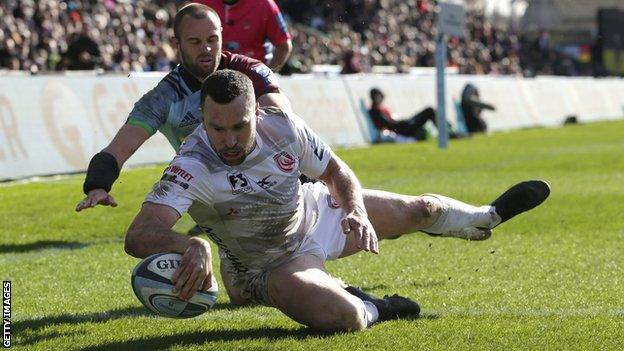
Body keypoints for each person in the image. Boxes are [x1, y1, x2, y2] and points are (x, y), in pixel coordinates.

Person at [124, 69, 551, 331]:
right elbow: (140, 233)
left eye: (240, 126)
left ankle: (487, 216)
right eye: (218, 129)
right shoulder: (192, 163)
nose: (230, 140)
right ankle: (374, 306)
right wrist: (193, 245)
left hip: (313, 213)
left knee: (423, 210)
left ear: (257, 113)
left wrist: (356, 211)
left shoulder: (285, 128)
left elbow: (335, 172)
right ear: (203, 119)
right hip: (266, 266)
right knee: (342, 318)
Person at [75, 3, 291, 213]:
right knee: (140, 236)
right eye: (195, 42)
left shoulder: (250, 70)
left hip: (268, 181)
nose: (206, 49)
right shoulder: (162, 98)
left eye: (213, 39)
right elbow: (118, 149)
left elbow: (285, 122)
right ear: (176, 44)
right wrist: (98, 185)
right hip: (215, 198)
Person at [192, 0, 293, 72]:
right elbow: (183, 41)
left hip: (253, 79)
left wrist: (268, 75)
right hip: (210, 79)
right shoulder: (198, 4)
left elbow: (284, 46)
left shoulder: (264, 4)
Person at [368, 88, 463, 143]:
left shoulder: (380, 108)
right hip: (403, 128)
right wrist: (400, 123)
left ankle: (448, 130)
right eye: (378, 96)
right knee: (429, 111)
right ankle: (447, 133)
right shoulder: (374, 110)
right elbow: (389, 124)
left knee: (430, 111)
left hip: (403, 125)